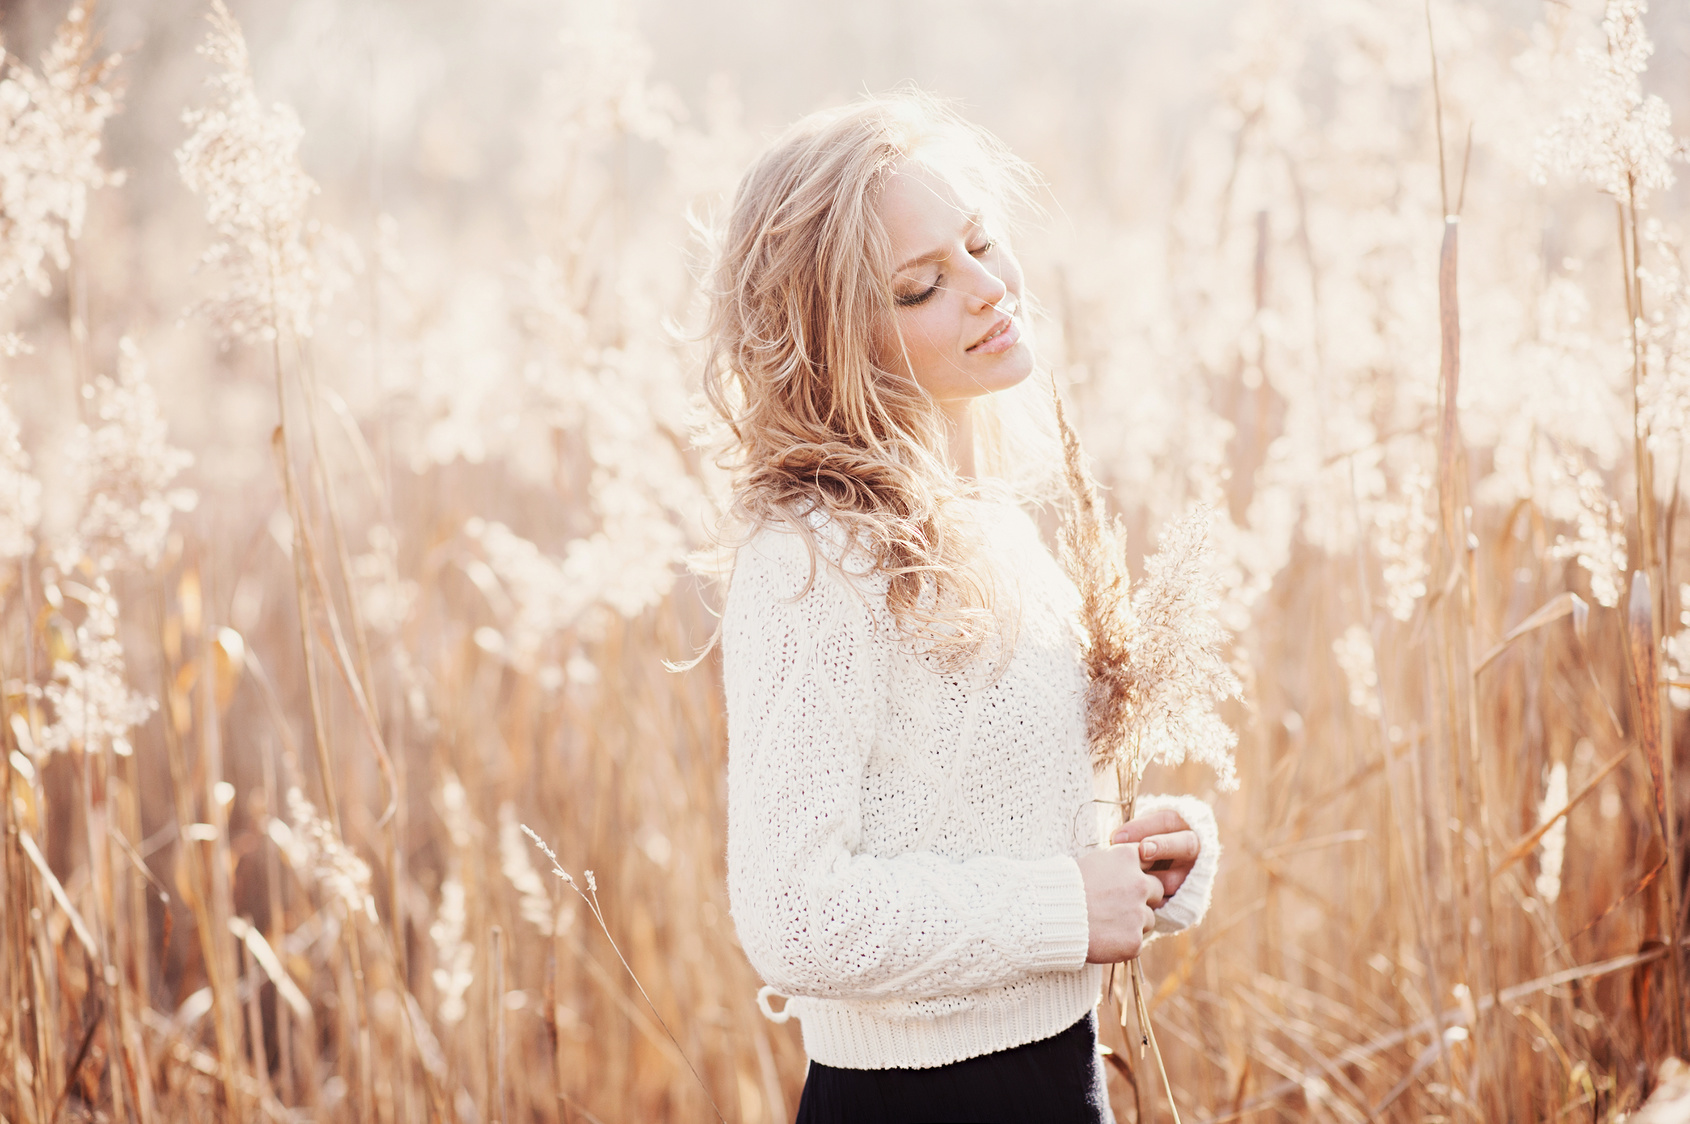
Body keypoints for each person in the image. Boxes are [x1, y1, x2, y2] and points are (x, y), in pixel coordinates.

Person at [701, 90, 1221, 1124]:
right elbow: (793, 913)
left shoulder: (995, 529)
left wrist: (1144, 862)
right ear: (832, 339)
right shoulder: (808, 562)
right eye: (922, 285)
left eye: (982, 243)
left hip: (1059, 1079)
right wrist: (1065, 903)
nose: (988, 289)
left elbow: (981, 826)